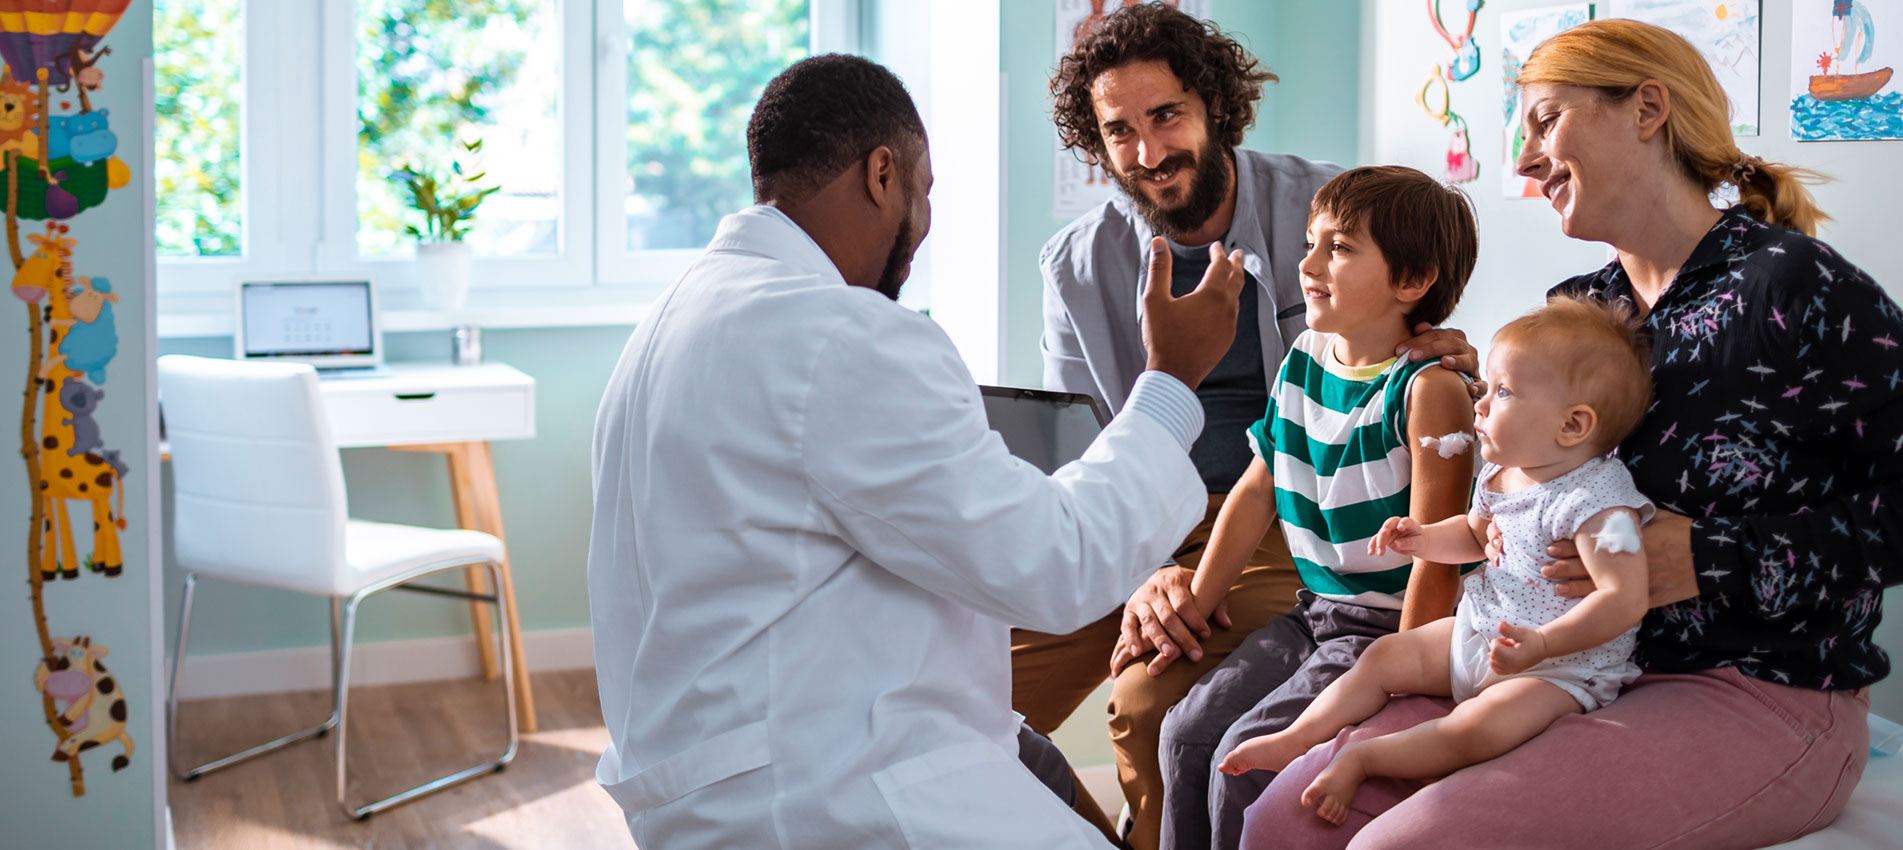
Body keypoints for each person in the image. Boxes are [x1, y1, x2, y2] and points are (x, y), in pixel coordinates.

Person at [1244, 20, 1900, 849]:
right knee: (1281, 823)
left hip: (1753, 683)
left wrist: (1708, 558)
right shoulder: (1579, 307)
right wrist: (1479, 392)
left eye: (1544, 122)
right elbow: (1540, 482)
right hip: (1552, 664)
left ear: (1646, 110)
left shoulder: (1789, 286)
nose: (1521, 161)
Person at [587, 53, 1254, 849]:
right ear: (881, 174)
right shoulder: (840, 333)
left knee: (1030, 761)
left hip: (716, 773)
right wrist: (1171, 380)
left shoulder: (676, 320)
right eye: (923, 190)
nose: (923, 221)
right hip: (826, 793)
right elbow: (1059, 565)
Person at [1031, 8, 1478, 845]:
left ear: (1214, 107)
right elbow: (1083, 454)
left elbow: (1405, 362)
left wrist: (1449, 365)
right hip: (1134, 522)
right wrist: (1147, 569)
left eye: (1165, 116)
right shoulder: (1075, 266)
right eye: (1117, 130)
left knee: (1148, 704)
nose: (1147, 152)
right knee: (966, 685)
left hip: (1284, 529)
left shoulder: (1329, 210)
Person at [1221, 297, 1656, 829]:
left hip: (1561, 668)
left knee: (1475, 729)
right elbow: (1473, 536)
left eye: (1503, 393)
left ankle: (1363, 760)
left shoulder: (1600, 501)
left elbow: (1625, 595)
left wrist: (1546, 644)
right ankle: (1297, 737)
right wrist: (1422, 538)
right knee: (1383, 658)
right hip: (1480, 633)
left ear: (1572, 425)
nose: (1480, 404)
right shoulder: (1503, 472)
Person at [1154, 166, 1481, 850]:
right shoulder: (1303, 357)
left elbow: (1436, 555)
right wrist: (1194, 605)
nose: (1306, 264)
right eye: (1310, 242)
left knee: (1242, 757)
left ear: (1411, 280)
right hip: (1312, 612)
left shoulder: (1427, 391)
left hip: (1379, 631)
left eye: (1338, 247)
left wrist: (1401, 678)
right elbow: (1256, 489)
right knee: (1186, 734)